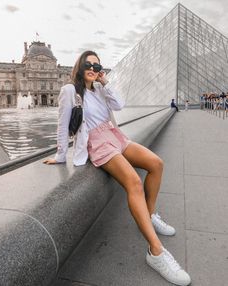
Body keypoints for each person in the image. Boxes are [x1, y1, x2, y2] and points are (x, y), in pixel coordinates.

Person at [43, 51, 191, 286]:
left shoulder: (100, 88)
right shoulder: (70, 90)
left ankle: (149, 215)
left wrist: (106, 83)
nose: (92, 67)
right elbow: (62, 125)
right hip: (96, 142)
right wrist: (61, 155)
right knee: (133, 182)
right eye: (87, 64)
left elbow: (119, 105)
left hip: (114, 135)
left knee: (156, 164)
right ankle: (156, 252)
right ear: (79, 66)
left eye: (96, 64)